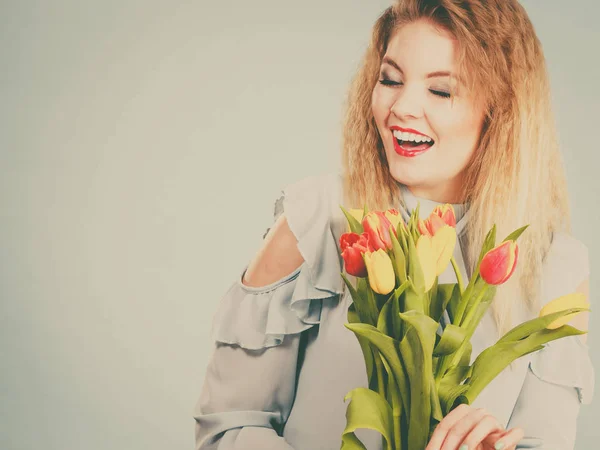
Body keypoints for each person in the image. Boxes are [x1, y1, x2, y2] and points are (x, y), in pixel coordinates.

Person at [193, 1, 594, 449]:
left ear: (499, 111)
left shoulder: (556, 267)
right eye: (390, 80)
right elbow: (227, 427)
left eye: (440, 91)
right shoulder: (317, 220)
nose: (402, 107)